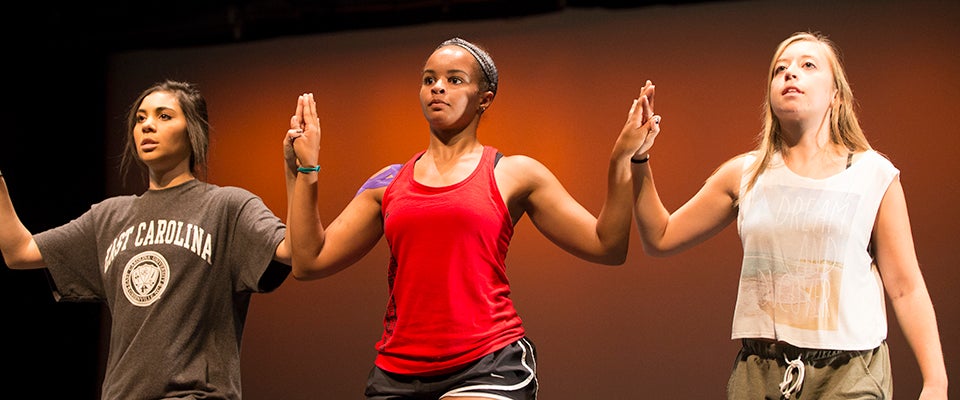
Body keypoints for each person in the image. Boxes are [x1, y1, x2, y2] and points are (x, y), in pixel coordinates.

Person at [282, 37, 660, 399]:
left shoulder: (513, 173)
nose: (437, 88)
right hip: (397, 372)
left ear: (484, 99)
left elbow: (606, 246)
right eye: (429, 80)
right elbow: (308, 261)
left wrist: (621, 160)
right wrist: (304, 169)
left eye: (454, 80)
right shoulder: (389, 182)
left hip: (488, 362)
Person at [631, 31, 948, 399]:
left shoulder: (873, 175)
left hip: (848, 374)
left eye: (807, 65)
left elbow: (905, 286)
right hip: (761, 372)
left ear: (836, 96)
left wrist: (935, 382)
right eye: (780, 69)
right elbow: (660, 236)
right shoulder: (746, 174)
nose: (790, 73)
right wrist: (640, 158)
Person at [0, 80, 293, 399]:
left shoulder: (226, 206)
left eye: (164, 116)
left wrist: (300, 173)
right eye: (140, 118)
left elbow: (292, 251)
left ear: (194, 131)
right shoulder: (109, 216)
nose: (147, 126)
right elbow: (19, 251)